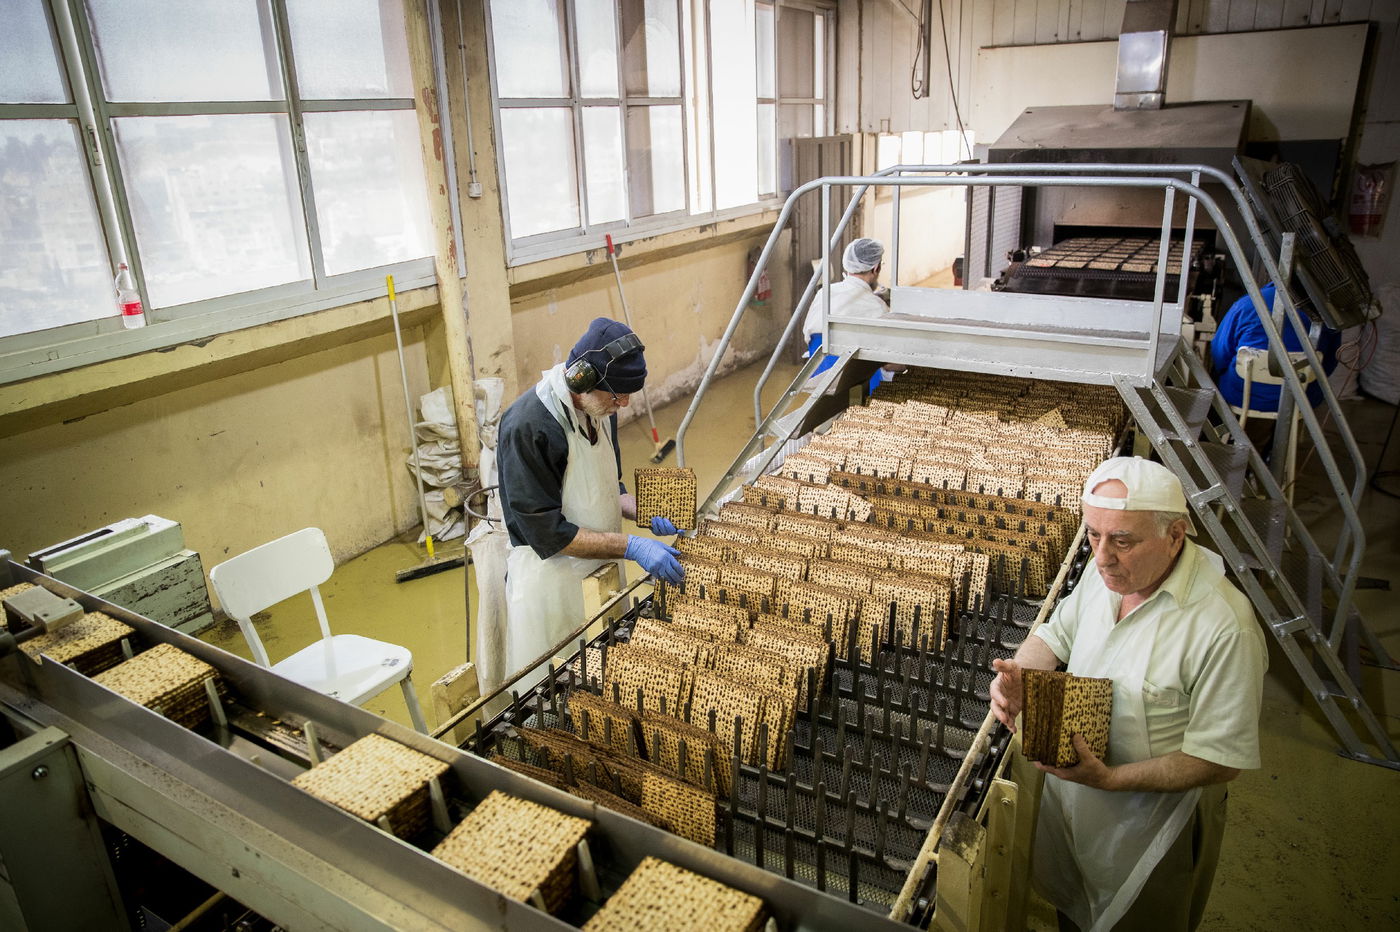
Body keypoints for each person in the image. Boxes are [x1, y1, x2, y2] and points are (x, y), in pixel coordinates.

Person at [989, 457, 1267, 932]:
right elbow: (1059, 632)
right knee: (1074, 911)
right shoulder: (1109, 577)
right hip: (1075, 801)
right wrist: (1018, 674)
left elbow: (1221, 758)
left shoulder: (1224, 625)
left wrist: (1111, 780)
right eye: (1093, 535)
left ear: (1175, 535)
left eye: (1122, 540)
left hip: (1152, 826)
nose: (1101, 557)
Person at [496, 318, 684, 683]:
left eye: (629, 395)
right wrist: (632, 546)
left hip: (601, 572)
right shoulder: (530, 427)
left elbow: (606, 485)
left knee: (603, 679)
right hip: (553, 586)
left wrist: (643, 510)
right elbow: (548, 534)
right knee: (555, 688)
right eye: (617, 395)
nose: (624, 404)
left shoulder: (601, 411)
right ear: (581, 379)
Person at [1209, 281, 1340, 450]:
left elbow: (1219, 354)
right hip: (1300, 400)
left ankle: (1239, 446)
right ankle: (1279, 452)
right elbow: (1328, 364)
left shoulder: (1247, 304)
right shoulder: (1326, 312)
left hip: (1244, 396)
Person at [801, 237, 896, 392]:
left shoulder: (824, 293)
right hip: (855, 386)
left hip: (818, 381)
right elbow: (888, 361)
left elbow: (809, 336)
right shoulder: (877, 307)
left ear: (847, 264)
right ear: (876, 268)